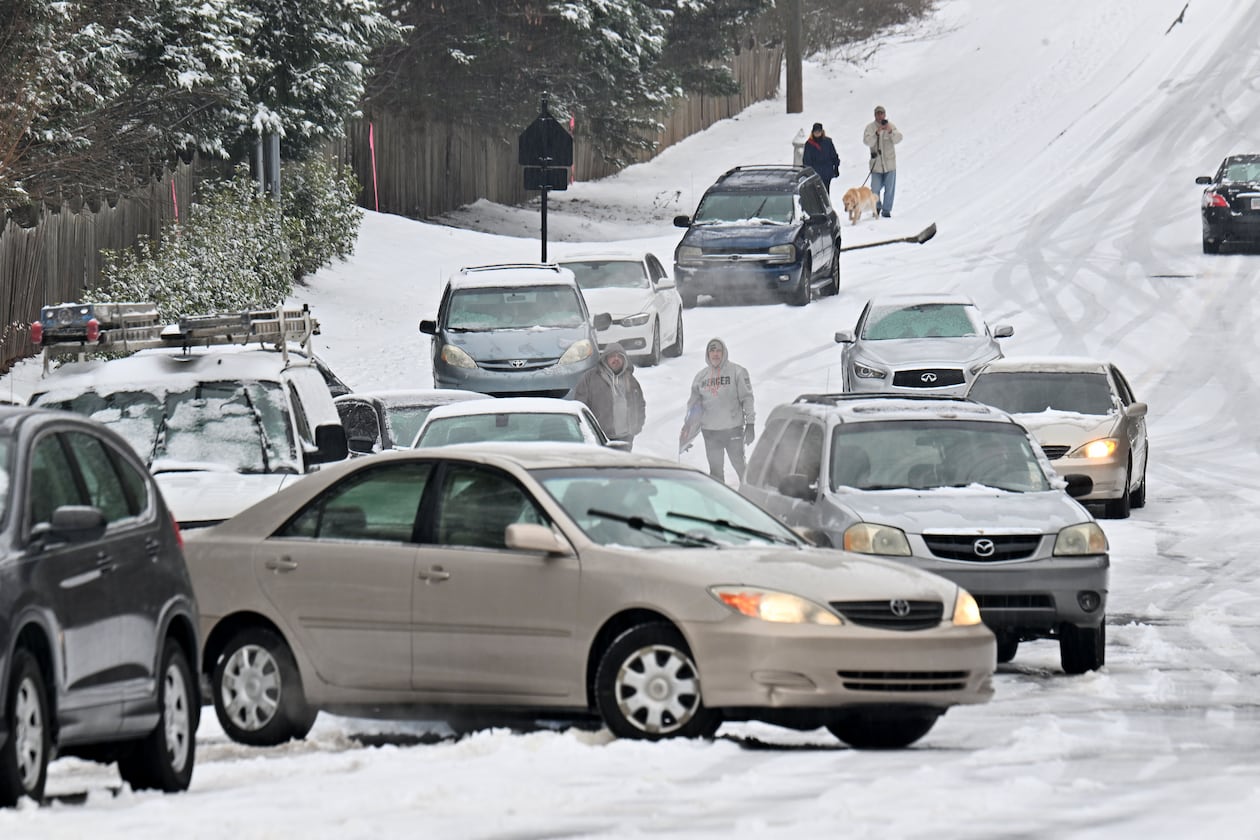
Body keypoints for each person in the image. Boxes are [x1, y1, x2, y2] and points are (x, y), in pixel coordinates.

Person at [683, 338, 755, 483]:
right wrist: (688, 434)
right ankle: (719, 502)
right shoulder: (700, 377)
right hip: (710, 432)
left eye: (718, 351)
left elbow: (747, 398)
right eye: (712, 351)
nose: (715, 354)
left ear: (724, 353)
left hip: (733, 429)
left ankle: (751, 497)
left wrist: (750, 424)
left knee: (740, 466)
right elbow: (694, 407)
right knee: (715, 472)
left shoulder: (737, 372)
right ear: (707, 354)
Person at [569, 342, 645, 449]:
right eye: (612, 356)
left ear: (624, 360)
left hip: (625, 438)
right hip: (600, 439)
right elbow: (580, 406)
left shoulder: (631, 380)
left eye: (619, 356)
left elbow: (640, 404)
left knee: (623, 465)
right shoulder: (590, 378)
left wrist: (637, 426)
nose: (616, 359)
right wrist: (588, 431)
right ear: (605, 359)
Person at [863, 105, 902, 218]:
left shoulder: (891, 126)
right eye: (877, 114)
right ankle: (877, 206)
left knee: (889, 189)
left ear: (885, 114)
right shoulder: (870, 128)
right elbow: (867, 142)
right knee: (875, 188)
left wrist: (890, 131)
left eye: (881, 114)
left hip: (890, 164)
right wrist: (876, 133)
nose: (880, 116)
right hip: (876, 165)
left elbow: (899, 138)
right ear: (874, 115)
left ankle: (886, 210)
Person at [802, 122, 840, 193]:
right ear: (812, 132)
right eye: (815, 131)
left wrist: (836, 167)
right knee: (816, 193)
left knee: (826, 192)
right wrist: (808, 172)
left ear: (822, 132)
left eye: (819, 131)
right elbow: (806, 160)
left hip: (827, 172)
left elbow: (833, 155)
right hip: (815, 173)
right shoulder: (809, 144)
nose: (817, 133)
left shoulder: (828, 142)